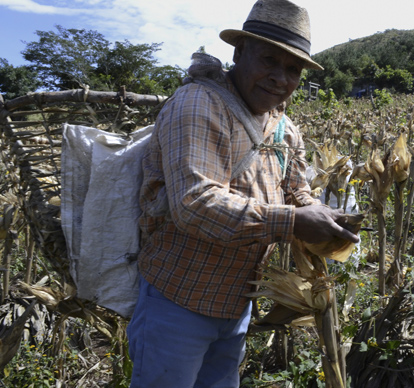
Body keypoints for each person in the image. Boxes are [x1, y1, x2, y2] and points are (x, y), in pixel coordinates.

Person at [126, 1, 359, 387]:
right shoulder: (198, 105)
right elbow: (194, 204)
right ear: (239, 53)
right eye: (269, 60)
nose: (280, 78)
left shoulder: (284, 127)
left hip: (236, 304)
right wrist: (295, 221)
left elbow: (296, 189)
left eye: (293, 69)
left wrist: (323, 216)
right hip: (177, 302)